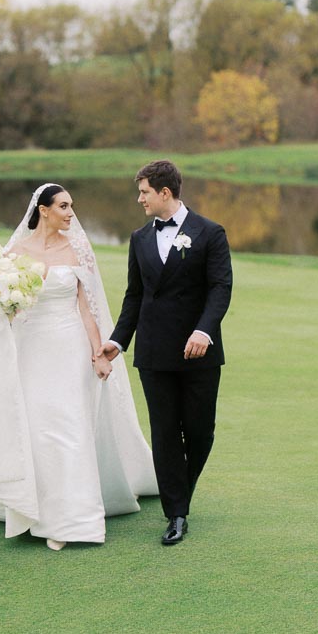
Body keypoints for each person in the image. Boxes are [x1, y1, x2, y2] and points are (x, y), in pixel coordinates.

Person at [0, 183, 157, 550]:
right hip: (30, 349)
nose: (70, 213)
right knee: (35, 427)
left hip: (69, 345)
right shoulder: (16, 251)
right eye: (63, 206)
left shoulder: (77, 250)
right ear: (43, 210)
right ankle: (33, 508)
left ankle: (71, 521)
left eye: (72, 206)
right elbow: (5, 307)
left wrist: (98, 354)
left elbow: (88, 309)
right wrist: (3, 309)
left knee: (68, 425)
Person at [101, 160, 232, 546]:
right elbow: (135, 296)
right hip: (154, 354)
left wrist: (204, 330)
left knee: (199, 431)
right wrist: (118, 340)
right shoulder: (139, 239)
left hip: (199, 352)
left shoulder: (210, 233)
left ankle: (179, 492)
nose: (138, 198)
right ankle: (176, 513)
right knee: (164, 434)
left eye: (144, 192)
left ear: (164, 193)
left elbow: (220, 287)